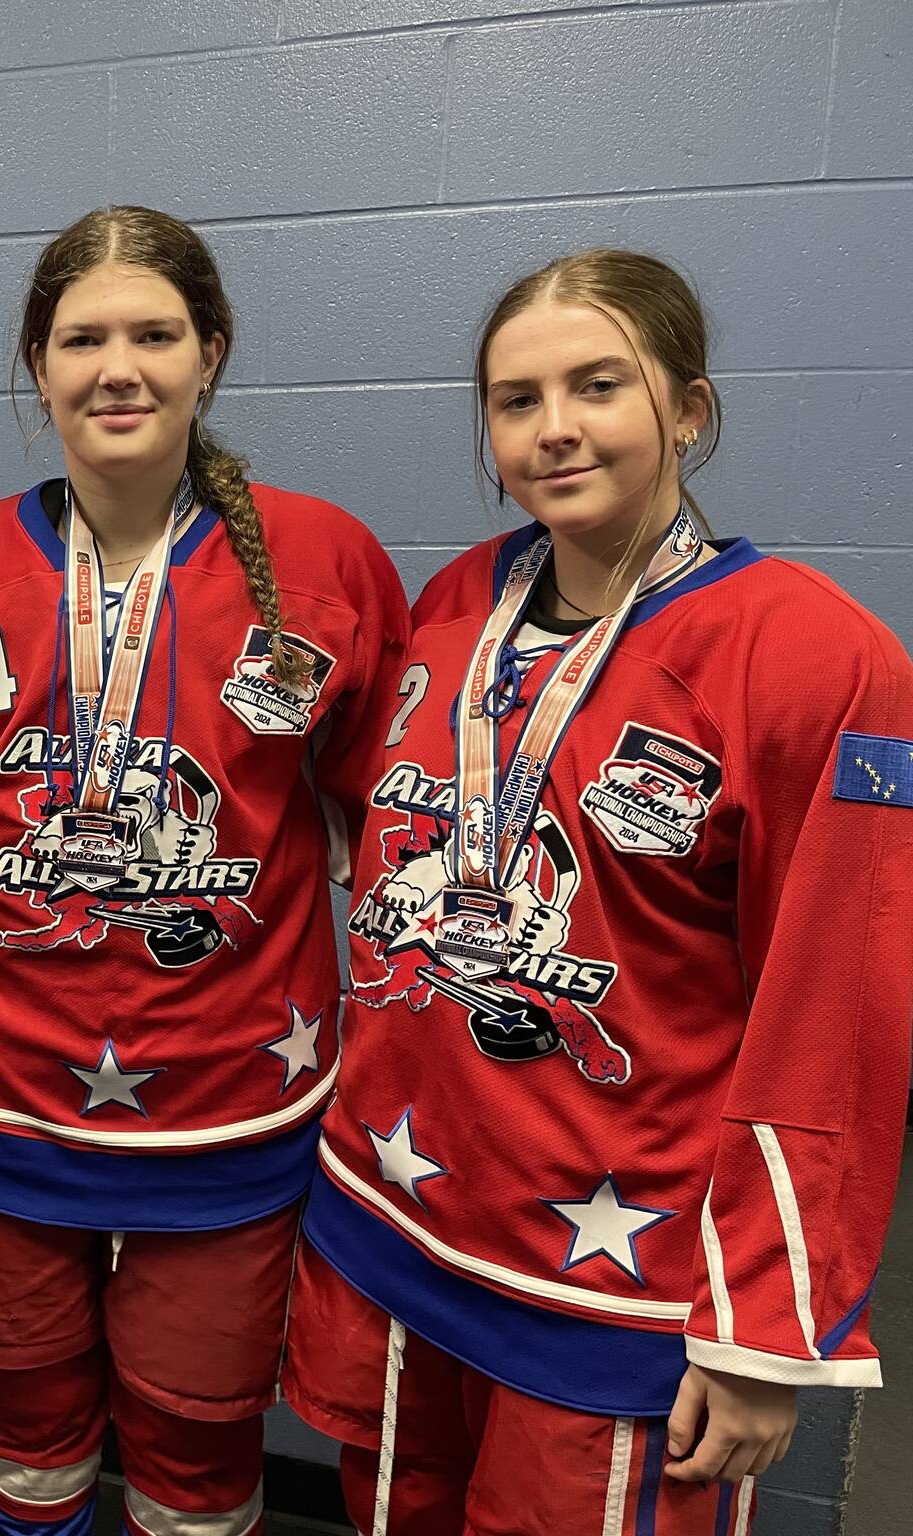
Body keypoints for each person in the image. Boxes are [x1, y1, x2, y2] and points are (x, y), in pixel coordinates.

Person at [283, 248, 913, 1535]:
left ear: (685, 408)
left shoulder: (815, 657)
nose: (552, 428)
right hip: (401, 1218)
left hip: (614, 1277)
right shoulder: (457, 600)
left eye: (596, 386)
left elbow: (834, 1026)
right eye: (515, 401)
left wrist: (760, 1330)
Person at [0, 205, 410, 1536]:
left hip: (230, 1099)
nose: (118, 367)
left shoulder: (326, 558)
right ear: (39, 361)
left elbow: (375, 805)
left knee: (194, 1452)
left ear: (211, 352)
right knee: (17, 1428)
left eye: (154, 334)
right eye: (83, 338)